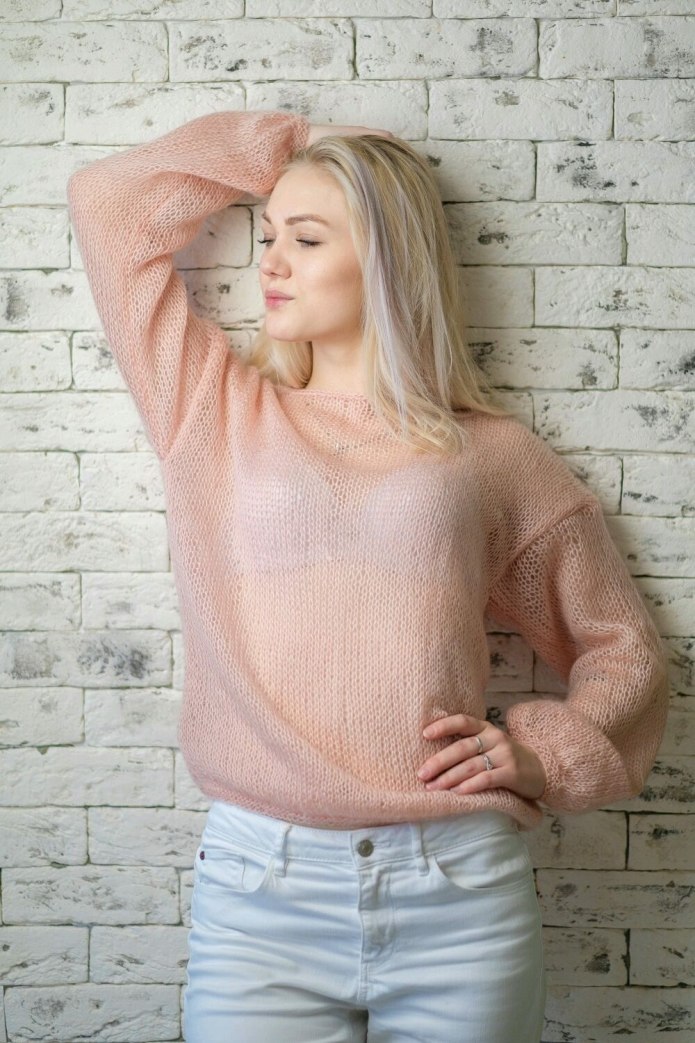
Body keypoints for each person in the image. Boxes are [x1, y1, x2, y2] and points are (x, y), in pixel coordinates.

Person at [67, 109, 670, 1043]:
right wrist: (304, 139)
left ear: (387, 257)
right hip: (259, 891)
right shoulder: (210, 409)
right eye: (268, 235)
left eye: (306, 239)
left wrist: (547, 753)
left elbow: (622, 649)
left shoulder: (489, 453)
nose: (270, 262)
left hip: (456, 890)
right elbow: (108, 201)